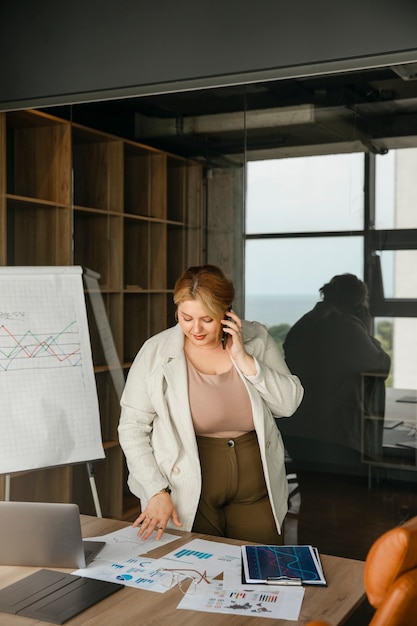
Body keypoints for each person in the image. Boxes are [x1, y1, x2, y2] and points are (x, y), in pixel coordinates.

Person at [118, 264, 304, 544]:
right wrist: (156, 491)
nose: (196, 329)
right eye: (186, 317)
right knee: (199, 573)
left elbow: (288, 405)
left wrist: (245, 361)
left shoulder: (256, 339)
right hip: (188, 484)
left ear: (226, 312)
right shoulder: (156, 352)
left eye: (207, 319)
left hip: (255, 484)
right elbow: (132, 428)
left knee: (264, 566)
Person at [279, 273, 391, 474]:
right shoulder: (347, 327)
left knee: (313, 490)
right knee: (340, 494)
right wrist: (365, 328)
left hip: (298, 427)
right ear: (357, 303)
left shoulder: (304, 322)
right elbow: (381, 366)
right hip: (333, 432)